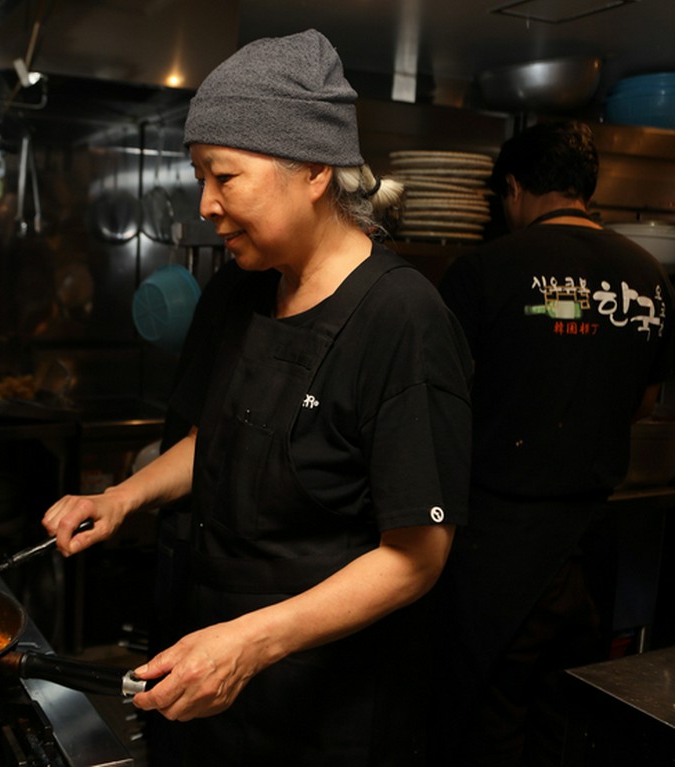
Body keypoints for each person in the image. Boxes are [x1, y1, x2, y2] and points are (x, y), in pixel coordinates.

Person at [42, 29, 473, 766]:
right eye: (200, 175)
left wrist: (249, 644)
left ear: (312, 168)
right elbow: (232, 434)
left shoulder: (402, 320)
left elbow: (417, 555)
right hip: (209, 672)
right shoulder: (244, 287)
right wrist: (124, 497)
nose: (205, 204)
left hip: (321, 704)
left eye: (224, 175)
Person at [433, 120, 675, 766]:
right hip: (594, 540)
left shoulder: (482, 271)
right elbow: (644, 403)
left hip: (497, 543)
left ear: (513, 188)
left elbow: (439, 406)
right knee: (569, 722)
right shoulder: (649, 275)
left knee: (487, 719)